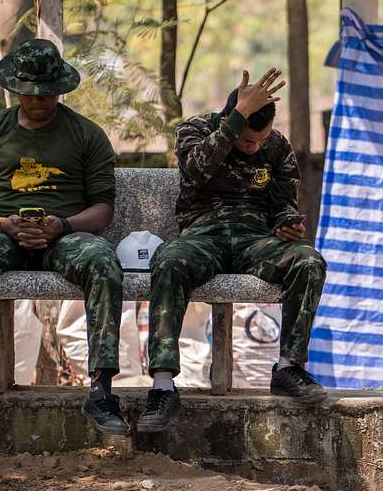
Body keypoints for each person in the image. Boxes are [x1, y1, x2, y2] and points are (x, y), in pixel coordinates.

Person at [0, 39, 129, 435]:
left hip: (66, 233)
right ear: (14, 89)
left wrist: (62, 226)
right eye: (30, 93)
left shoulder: (87, 134)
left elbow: (103, 208)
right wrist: (4, 224)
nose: (39, 101)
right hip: (3, 232)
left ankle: (101, 389)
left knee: (103, 262)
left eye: (47, 93)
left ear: (60, 89)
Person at [138, 68, 328, 432]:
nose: (254, 148)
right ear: (230, 119)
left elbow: (282, 201)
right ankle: (163, 386)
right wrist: (233, 124)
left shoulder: (277, 146)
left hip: (254, 240)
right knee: (170, 261)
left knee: (308, 261)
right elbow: (195, 171)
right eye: (246, 142)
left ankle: (289, 367)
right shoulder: (195, 130)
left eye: (261, 140)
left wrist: (288, 222)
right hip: (202, 236)